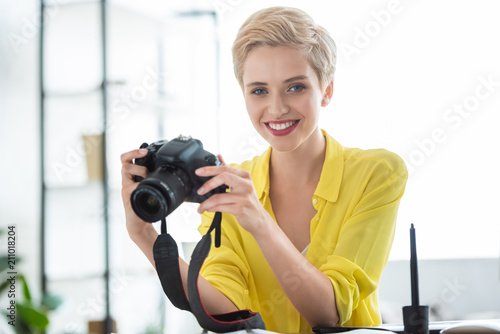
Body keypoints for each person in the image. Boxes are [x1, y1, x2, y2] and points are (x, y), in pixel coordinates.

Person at [120, 6, 408, 333]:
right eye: (259, 90)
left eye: (296, 87)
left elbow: (330, 313)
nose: (277, 108)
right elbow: (224, 307)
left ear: (326, 90)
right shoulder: (229, 186)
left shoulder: (377, 174)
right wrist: (143, 236)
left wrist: (259, 221)